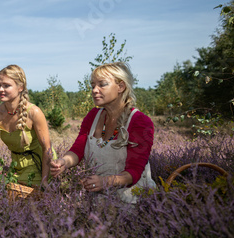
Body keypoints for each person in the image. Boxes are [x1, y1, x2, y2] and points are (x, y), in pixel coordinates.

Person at [50, 62, 156, 203]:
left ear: (121, 87)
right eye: (93, 85)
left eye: (102, 84)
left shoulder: (140, 122)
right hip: (97, 196)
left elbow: (134, 172)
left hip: (132, 198)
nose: (94, 90)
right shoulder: (93, 116)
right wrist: (64, 162)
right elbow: (77, 150)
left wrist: (106, 181)